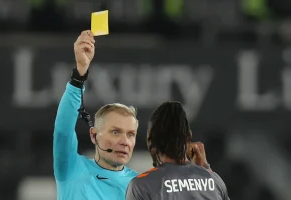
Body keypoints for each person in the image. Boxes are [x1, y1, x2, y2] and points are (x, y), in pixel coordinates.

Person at [53, 30, 212, 200]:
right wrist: (79, 76)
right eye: (115, 132)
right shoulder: (72, 169)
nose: (125, 142)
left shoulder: (143, 186)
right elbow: (63, 131)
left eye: (131, 135)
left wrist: (200, 175)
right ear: (94, 135)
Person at [126, 101, 230, 200]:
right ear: (189, 136)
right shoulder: (215, 181)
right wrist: (206, 170)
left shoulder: (141, 186)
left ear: (151, 141)